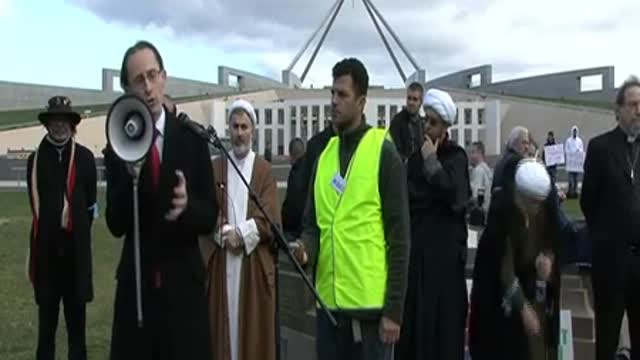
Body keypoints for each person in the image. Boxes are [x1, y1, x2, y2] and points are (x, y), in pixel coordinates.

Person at [104, 40, 217, 360]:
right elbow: (115, 223)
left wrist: (187, 207)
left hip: (183, 292)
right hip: (137, 294)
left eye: (153, 75)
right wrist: (129, 178)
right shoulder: (117, 144)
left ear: (164, 76)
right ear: (127, 89)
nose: (148, 87)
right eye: (139, 80)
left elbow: (210, 214)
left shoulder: (191, 139)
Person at [293, 58, 410, 360]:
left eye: (342, 95)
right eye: (332, 93)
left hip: (371, 314)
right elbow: (312, 226)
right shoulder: (323, 156)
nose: (334, 101)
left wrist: (394, 311)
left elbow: (400, 237)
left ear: (361, 102)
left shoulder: (384, 152)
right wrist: (305, 249)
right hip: (329, 309)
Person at [199, 99, 280, 360]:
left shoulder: (264, 170)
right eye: (235, 126)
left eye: (244, 126)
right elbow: (208, 209)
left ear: (253, 131)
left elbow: (269, 216)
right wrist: (223, 232)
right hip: (223, 262)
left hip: (251, 265)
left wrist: (241, 235)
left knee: (252, 335)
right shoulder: (216, 167)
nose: (239, 132)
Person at [395, 88, 471, 360]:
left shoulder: (456, 158)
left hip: (445, 267)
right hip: (418, 264)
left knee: (443, 335)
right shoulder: (414, 161)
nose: (427, 127)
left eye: (434, 123)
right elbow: (410, 199)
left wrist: (432, 162)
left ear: (446, 127)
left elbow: (455, 196)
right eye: (426, 121)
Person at [469, 159, 562, 360]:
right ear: (522, 196)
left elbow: (551, 243)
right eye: (534, 202)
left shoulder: (543, 215)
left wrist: (548, 261)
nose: (538, 208)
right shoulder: (501, 222)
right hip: (501, 311)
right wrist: (522, 307)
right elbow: (503, 271)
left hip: (532, 297)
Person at [27, 95, 97, 360]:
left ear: (72, 124)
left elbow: (90, 204)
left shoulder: (85, 158)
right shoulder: (35, 160)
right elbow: (35, 208)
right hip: (46, 259)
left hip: (75, 259)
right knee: (46, 333)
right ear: (47, 124)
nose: (60, 126)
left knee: (77, 334)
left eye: (64, 120)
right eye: (55, 120)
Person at [580, 75, 640, 360]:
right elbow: (588, 203)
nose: (639, 110)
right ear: (618, 110)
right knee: (606, 338)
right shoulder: (600, 148)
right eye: (633, 104)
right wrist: (608, 239)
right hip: (611, 263)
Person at [388, 82, 425, 162]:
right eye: (409, 98)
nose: (411, 102)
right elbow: (394, 151)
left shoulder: (423, 123)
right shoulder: (397, 122)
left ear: (420, 102)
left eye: (415, 99)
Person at [281, 137, 306, 239]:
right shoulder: (313, 166)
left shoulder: (295, 173)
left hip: (296, 230)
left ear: (292, 155)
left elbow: (292, 204)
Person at [469, 141, 493, 215]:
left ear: (479, 153)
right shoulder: (487, 169)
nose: (470, 156)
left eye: (473, 152)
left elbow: (475, 196)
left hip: (480, 213)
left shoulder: (479, 170)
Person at [564, 125, 584, 198]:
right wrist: (571, 153)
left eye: (576, 131)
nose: (575, 133)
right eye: (574, 131)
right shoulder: (568, 140)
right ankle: (570, 192)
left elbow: (581, 149)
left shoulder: (579, 141)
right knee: (570, 178)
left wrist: (578, 151)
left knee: (576, 179)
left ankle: (575, 192)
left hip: (577, 164)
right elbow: (566, 149)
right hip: (571, 163)